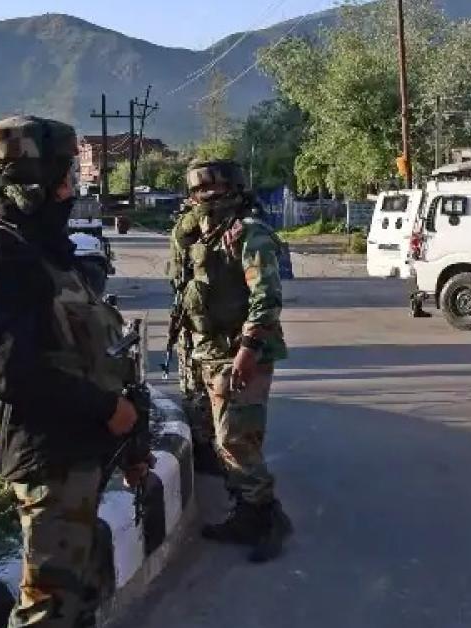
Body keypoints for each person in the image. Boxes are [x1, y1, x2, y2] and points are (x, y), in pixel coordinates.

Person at [0, 115, 145, 627]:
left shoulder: (48, 250)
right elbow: (9, 371)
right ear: (34, 185)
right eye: (65, 178)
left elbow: (91, 353)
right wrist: (108, 408)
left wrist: (131, 436)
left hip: (80, 453)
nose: (72, 190)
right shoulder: (0, 253)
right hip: (50, 459)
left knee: (77, 600)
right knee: (48, 610)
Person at [178, 159, 294, 562]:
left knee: (237, 440)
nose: (206, 198)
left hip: (242, 352)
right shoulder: (199, 236)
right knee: (224, 441)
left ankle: (266, 518)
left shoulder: (249, 234)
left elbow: (267, 299)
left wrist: (247, 349)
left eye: (215, 190)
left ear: (235, 190)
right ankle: (246, 512)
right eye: (199, 191)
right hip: (210, 351)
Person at [168, 202, 221, 475]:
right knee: (193, 386)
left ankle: (207, 448)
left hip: (200, 322)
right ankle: (203, 447)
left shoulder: (199, 226)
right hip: (190, 317)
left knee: (197, 387)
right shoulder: (191, 227)